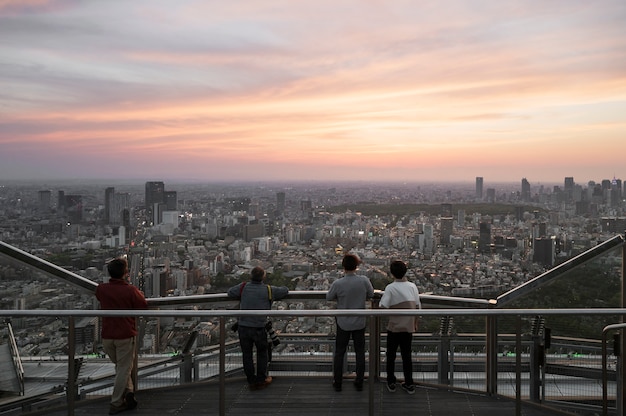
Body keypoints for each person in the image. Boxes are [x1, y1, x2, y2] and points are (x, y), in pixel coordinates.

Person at [95, 256, 148, 415]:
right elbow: (142, 306)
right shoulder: (130, 290)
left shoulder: (101, 289)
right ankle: (116, 402)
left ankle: (129, 391)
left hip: (107, 336)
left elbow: (100, 297)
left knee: (121, 367)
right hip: (124, 335)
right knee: (123, 369)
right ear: (126, 273)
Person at [228, 266, 289, 390]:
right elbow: (285, 290)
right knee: (262, 353)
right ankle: (261, 379)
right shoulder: (268, 290)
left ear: (251, 276)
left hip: (243, 326)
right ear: (263, 277)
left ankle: (251, 380)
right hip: (259, 327)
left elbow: (230, 292)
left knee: (247, 354)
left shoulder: (243, 287)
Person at [326, 253, 374, 392]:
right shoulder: (364, 280)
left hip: (343, 322)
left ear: (343, 267)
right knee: (360, 352)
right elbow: (371, 294)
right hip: (359, 321)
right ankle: (359, 381)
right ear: (357, 266)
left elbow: (329, 297)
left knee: (340, 352)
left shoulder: (338, 283)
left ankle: (338, 382)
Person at [379, 260, 421, 394]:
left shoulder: (391, 288)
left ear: (392, 273)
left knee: (391, 355)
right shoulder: (412, 286)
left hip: (394, 327)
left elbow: (383, 305)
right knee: (406, 355)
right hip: (408, 327)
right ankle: (409, 383)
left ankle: (391, 382)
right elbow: (418, 306)